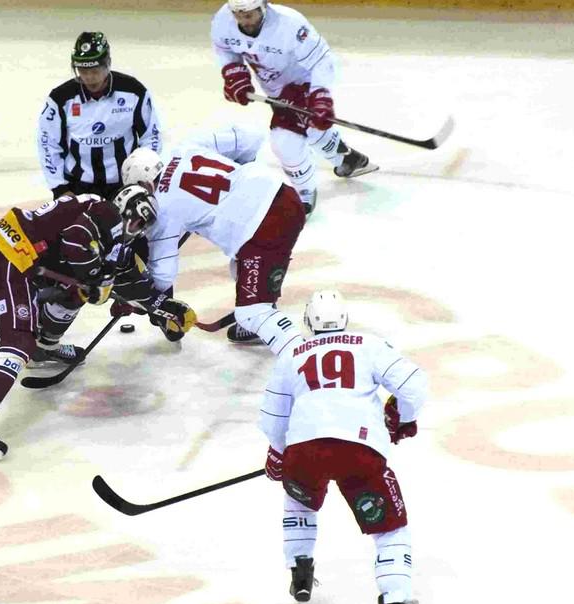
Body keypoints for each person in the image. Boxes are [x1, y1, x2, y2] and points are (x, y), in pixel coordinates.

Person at [258, 290, 440, 604]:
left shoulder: (291, 354)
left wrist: (278, 454)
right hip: (359, 450)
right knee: (390, 528)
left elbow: (272, 418)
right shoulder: (368, 344)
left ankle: (300, 569)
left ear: (308, 321)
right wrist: (401, 416)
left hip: (303, 451)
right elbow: (414, 385)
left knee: (299, 500)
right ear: (344, 318)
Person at [0, 191, 176, 462]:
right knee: (19, 340)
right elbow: (75, 237)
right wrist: (94, 279)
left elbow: (129, 280)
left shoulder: (110, 228)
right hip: (13, 257)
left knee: (74, 294)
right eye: (139, 222)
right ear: (127, 212)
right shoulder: (106, 215)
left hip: (33, 259)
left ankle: (44, 349)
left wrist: (168, 308)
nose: (138, 230)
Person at [118, 126, 306, 349]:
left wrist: (141, 301)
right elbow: (250, 138)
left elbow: (163, 275)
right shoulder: (184, 147)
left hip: (262, 228)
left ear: (144, 184)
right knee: (239, 267)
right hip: (284, 194)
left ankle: (301, 353)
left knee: (251, 312)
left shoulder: (162, 210)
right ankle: (263, 318)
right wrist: (237, 183)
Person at [212, 0, 376, 217]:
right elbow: (225, 49)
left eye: (249, 15)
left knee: (284, 141)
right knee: (312, 128)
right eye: (238, 15)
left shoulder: (290, 24)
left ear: (263, 7)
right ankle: (347, 159)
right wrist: (235, 74)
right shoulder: (223, 19)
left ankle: (304, 194)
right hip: (276, 89)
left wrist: (321, 97)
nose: (244, 21)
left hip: (305, 81)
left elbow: (321, 61)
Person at [37, 31, 163, 201]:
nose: (89, 77)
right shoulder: (60, 98)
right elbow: (48, 144)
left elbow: (151, 136)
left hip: (125, 187)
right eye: (83, 70)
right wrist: (60, 188)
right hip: (77, 187)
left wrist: (143, 178)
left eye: (95, 70)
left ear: (108, 63)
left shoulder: (134, 91)